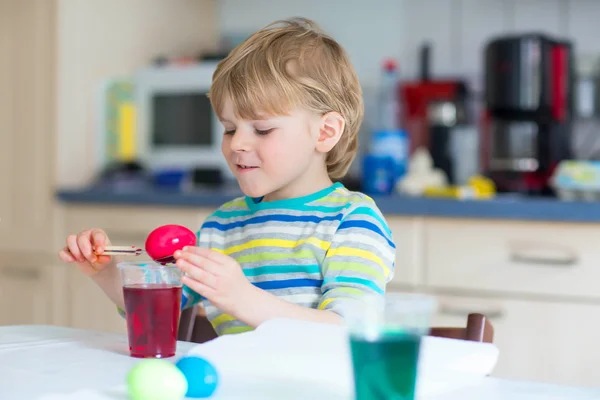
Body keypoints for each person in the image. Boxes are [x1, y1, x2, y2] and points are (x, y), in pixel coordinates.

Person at [59, 17, 396, 336]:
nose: (237, 143)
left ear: (325, 132)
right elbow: (158, 305)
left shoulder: (351, 222)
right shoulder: (222, 227)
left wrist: (242, 298)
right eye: (229, 128)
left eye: (262, 129)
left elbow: (351, 331)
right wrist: (105, 273)